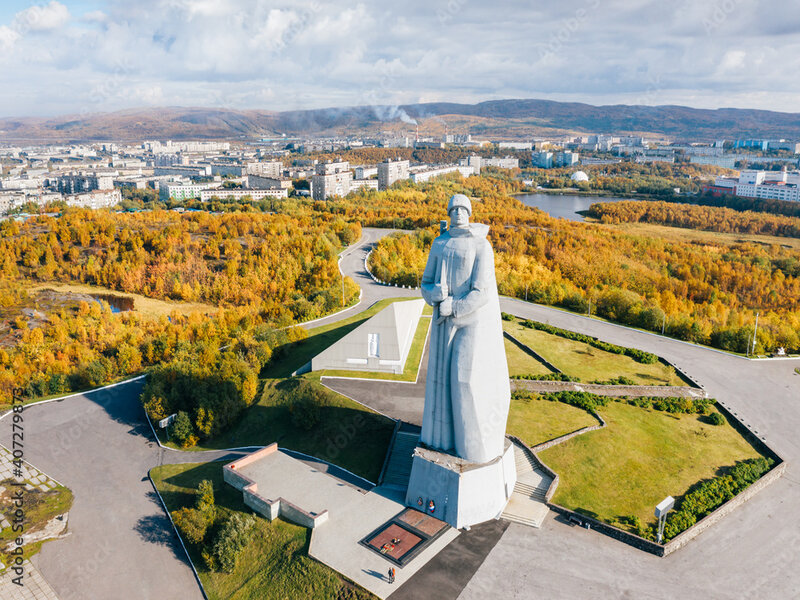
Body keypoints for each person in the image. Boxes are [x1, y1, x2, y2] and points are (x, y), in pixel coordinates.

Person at [419, 194, 511, 464]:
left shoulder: (481, 246)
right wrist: (434, 293)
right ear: (448, 212)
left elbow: (481, 293)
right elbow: (425, 283)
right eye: (454, 208)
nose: (458, 212)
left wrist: (454, 307)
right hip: (443, 323)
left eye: (463, 208)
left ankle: (474, 451)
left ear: (469, 212)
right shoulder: (440, 243)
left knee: (464, 380)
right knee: (441, 382)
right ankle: (444, 443)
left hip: (469, 322)